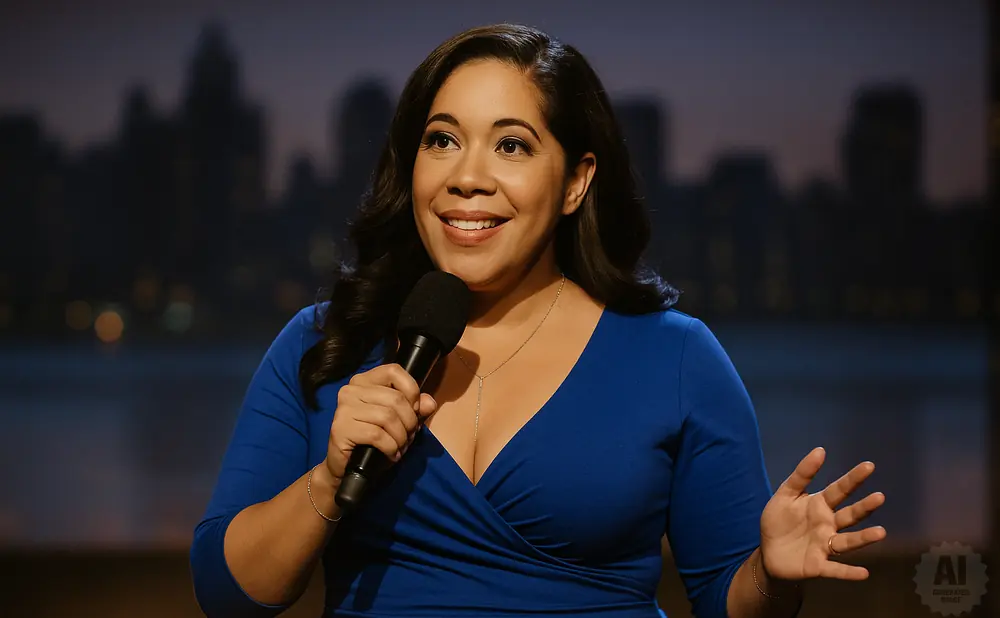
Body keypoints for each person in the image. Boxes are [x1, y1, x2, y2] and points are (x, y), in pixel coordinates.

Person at [190, 23, 887, 618]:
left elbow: (725, 596)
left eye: (512, 145)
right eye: (442, 140)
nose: (467, 176)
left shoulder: (675, 358)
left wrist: (771, 573)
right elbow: (228, 594)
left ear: (575, 182)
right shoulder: (325, 343)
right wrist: (328, 480)